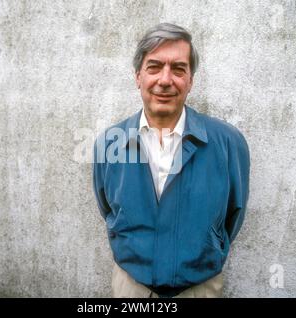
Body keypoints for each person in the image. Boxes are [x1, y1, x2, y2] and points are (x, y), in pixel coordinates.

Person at [92, 23, 250, 298]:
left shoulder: (227, 143)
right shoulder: (110, 143)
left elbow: (232, 216)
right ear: (137, 76)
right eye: (154, 67)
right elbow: (107, 209)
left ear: (191, 80)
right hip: (131, 288)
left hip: (200, 289)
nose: (165, 80)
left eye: (178, 69)